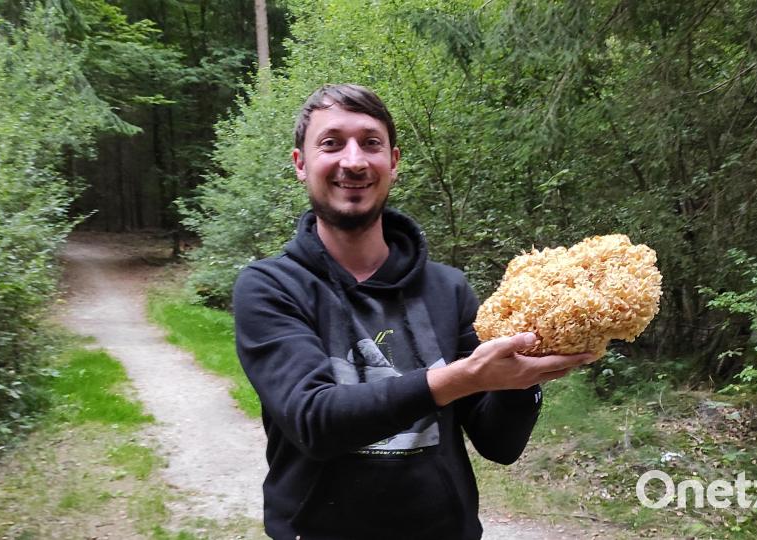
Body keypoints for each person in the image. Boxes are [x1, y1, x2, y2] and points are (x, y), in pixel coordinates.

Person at [233, 84, 597, 540]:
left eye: (371, 143)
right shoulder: (270, 286)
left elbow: (500, 444)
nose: (354, 160)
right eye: (331, 143)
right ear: (300, 164)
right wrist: (463, 377)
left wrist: (522, 379)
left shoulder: (447, 288)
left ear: (394, 163)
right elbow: (314, 420)